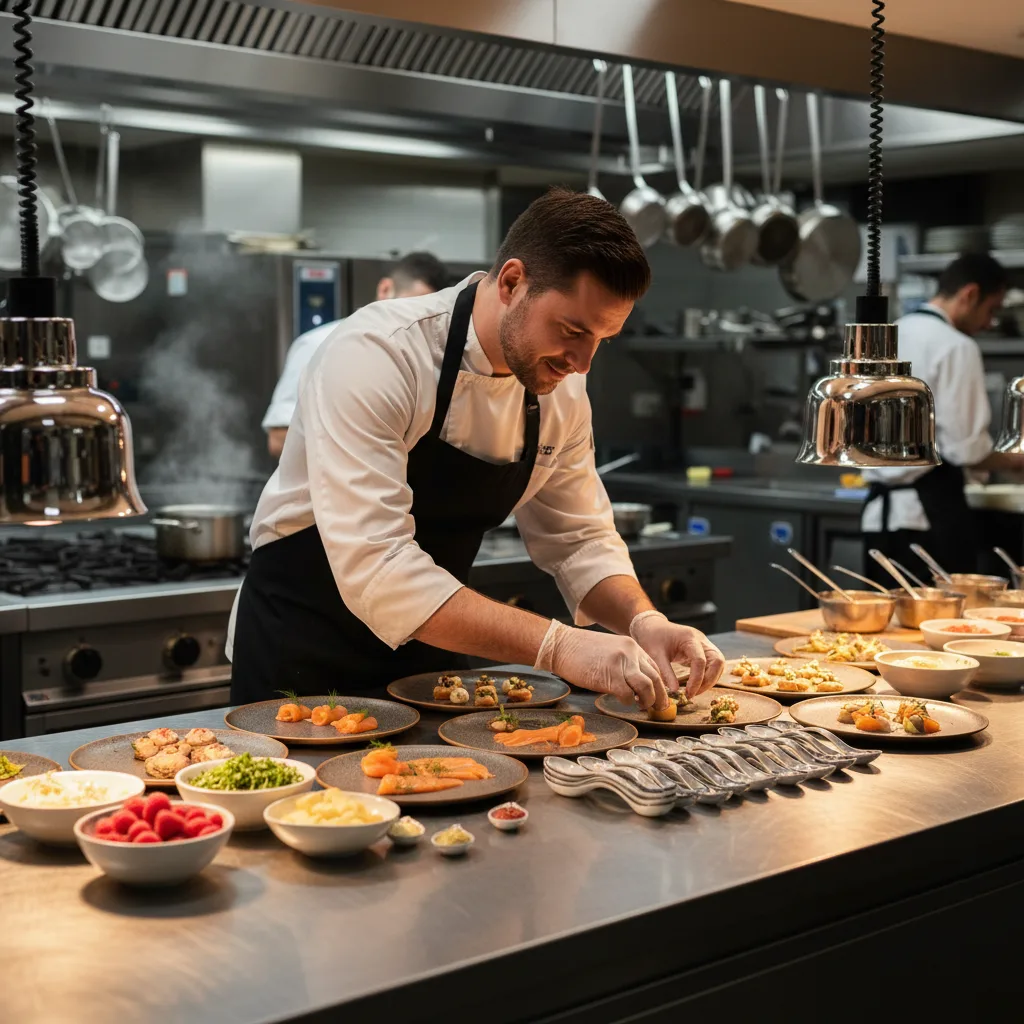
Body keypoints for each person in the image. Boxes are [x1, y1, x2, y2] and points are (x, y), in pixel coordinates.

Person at [230, 188, 724, 711]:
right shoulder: (380, 354)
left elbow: (578, 539)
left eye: (602, 338)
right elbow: (380, 566)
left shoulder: (560, 390)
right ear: (512, 282)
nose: (583, 363)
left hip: (431, 656)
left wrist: (644, 620)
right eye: (572, 330)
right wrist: (557, 646)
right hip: (301, 658)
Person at [862, 252, 1018, 582]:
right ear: (970, 294)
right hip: (927, 522)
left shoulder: (887, 335)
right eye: (991, 310)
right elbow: (967, 450)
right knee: (938, 627)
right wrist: (1016, 461)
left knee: (880, 628)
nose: (990, 323)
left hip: (879, 519)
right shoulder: (956, 346)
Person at [262, 251, 450, 458]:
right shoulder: (319, 343)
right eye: (409, 309)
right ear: (385, 289)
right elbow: (279, 438)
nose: (415, 323)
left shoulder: (426, 362)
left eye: (427, 317)